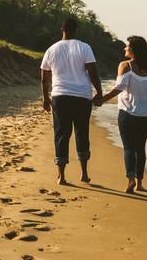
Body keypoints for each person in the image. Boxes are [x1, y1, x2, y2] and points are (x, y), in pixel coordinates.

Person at [40, 17, 103, 185]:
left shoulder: (51, 49)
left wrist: (46, 98)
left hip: (60, 96)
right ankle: (84, 173)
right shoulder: (84, 47)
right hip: (82, 97)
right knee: (82, 133)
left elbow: (44, 78)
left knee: (61, 134)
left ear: (62, 30)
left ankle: (61, 175)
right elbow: (93, 72)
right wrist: (100, 92)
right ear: (76, 30)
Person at [97, 35, 147, 193]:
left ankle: (131, 179)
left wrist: (102, 99)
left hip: (127, 113)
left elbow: (119, 88)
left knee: (128, 147)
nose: (124, 48)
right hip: (146, 115)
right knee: (140, 148)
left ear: (133, 50)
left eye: (127, 46)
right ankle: (140, 183)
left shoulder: (125, 66)